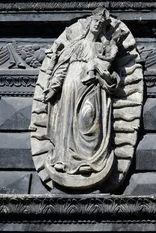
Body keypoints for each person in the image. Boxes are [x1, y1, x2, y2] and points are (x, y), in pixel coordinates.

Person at [43, 7, 120, 186]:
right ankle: (63, 159)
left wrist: (104, 70)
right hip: (70, 86)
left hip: (92, 88)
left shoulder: (103, 47)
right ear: (89, 23)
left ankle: (87, 160)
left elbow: (107, 70)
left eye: (101, 24)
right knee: (66, 122)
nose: (97, 25)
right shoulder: (76, 45)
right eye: (95, 22)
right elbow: (61, 68)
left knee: (88, 120)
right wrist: (54, 88)